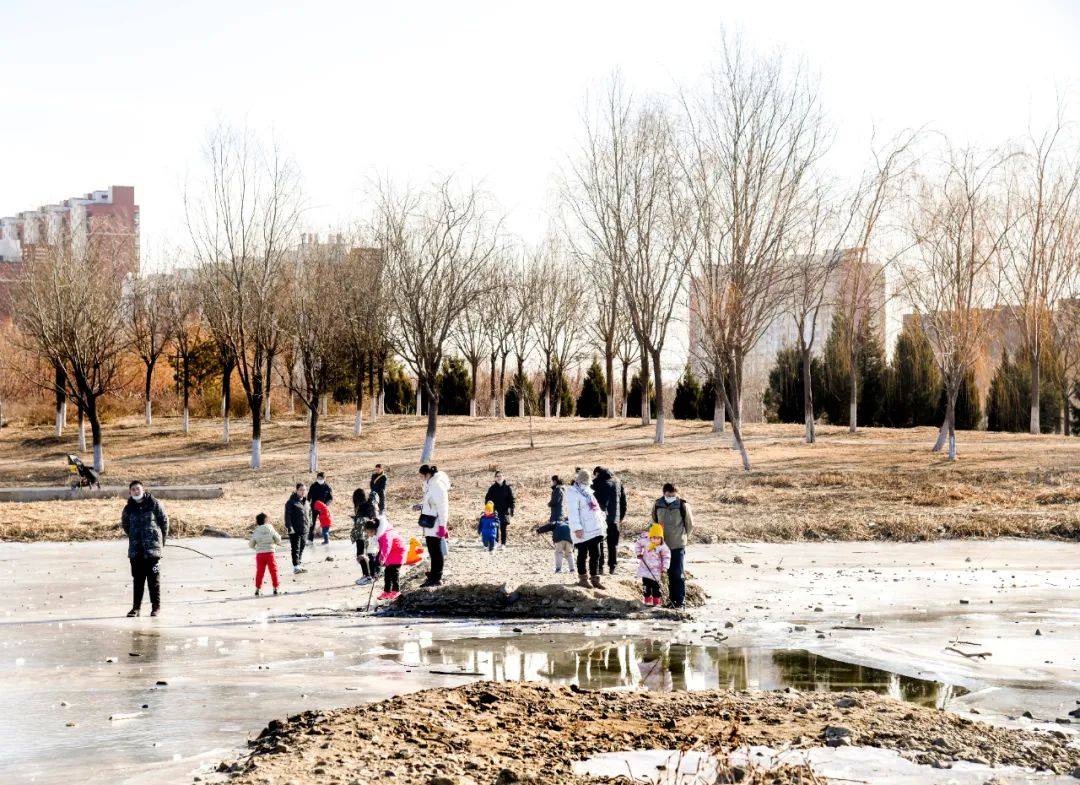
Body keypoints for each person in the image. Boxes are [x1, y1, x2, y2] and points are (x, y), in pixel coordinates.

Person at [121, 480, 169, 617]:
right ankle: (136, 608)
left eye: (138, 489)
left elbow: (164, 522)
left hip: (153, 550)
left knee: (154, 580)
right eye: (133, 490)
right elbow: (126, 525)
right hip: (136, 550)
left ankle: (156, 607)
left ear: (143, 490)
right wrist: (135, 537)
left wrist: (160, 542)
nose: (136, 491)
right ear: (130, 492)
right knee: (138, 580)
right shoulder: (128, 508)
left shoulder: (154, 504)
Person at [651, 482, 694, 609]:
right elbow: (654, 522)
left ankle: (680, 601)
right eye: (669, 495)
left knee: (678, 573)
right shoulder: (657, 504)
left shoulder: (682, 505)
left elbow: (689, 525)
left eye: (674, 495)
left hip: (678, 545)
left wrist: (683, 539)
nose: (671, 497)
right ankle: (672, 600)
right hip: (663, 545)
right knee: (668, 573)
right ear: (664, 493)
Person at [566, 468, 606, 589]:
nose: (586, 483)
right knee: (582, 553)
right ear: (579, 481)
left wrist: (602, 522)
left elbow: (596, 510)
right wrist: (577, 528)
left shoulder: (588, 492)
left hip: (594, 528)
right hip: (582, 529)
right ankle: (583, 578)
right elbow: (573, 513)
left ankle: (595, 578)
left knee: (596, 553)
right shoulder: (573, 493)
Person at [414, 464, 450, 587]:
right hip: (429, 523)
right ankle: (434, 573)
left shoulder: (437, 486)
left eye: (421, 476)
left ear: (427, 474)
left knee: (436, 550)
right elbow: (430, 503)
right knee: (432, 550)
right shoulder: (430, 485)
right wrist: (421, 505)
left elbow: (443, 508)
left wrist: (442, 526)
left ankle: (437, 576)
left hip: (436, 523)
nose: (421, 478)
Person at [592, 466, 627, 575]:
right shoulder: (617, 482)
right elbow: (623, 502)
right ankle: (612, 567)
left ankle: (600, 567)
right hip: (614, 519)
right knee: (613, 544)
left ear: (597, 473)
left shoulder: (595, 483)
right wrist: (620, 517)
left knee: (599, 543)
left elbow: (592, 503)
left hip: (600, 519)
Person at [365, 517, 405, 601]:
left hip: (398, 552)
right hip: (391, 553)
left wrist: (382, 558)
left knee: (394, 572)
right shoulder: (380, 533)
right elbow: (381, 548)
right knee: (387, 573)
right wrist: (378, 559)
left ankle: (396, 591)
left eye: (368, 532)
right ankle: (387, 592)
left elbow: (387, 547)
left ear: (373, 530)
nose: (368, 534)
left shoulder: (386, 534)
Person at [350, 489, 383, 585]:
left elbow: (359, 525)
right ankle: (372, 575)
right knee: (370, 553)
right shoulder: (369, 506)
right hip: (370, 533)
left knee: (360, 554)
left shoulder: (360, 507)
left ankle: (367, 576)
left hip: (361, 534)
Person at [634, 523, 671, 607]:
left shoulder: (663, 547)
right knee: (646, 586)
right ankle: (647, 600)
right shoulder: (646, 542)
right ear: (650, 537)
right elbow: (638, 544)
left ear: (661, 538)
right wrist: (639, 553)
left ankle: (656, 601)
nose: (655, 540)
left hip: (656, 570)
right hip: (645, 568)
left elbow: (666, 557)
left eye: (658, 538)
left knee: (656, 587)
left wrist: (665, 567)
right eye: (653, 538)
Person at [248, 512, 282, 596]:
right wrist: (276, 542)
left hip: (260, 555)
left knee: (260, 572)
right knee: (273, 571)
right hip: (270, 553)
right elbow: (278, 538)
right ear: (266, 521)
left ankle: (257, 589)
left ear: (257, 522)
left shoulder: (256, 530)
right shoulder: (270, 528)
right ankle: (275, 588)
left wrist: (256, 548)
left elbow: (251, 544)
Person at [284, 482, 310, 574]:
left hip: (305, 529)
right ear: (296, 490)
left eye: (304, 490)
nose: (303, 492)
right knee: (295, 548)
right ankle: (296, 566)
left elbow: (309, 514)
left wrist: (309, 524)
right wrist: (289, 527)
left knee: (302, 547)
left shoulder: (306, 502)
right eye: (301, 490)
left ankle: (299, 564)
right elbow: (287, 516)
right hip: (295, 529)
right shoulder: (291, 502)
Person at [484, 470, 515, 547]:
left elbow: (512, 500)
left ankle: (503, 544)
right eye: (497, 476)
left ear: (503, 477)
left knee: (503, 528)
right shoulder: (492, 488)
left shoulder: (507, 488)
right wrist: (488, 508)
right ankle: (496, 542)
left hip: (504, 511)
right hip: (495, 511)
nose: (499, 477)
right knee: (495, 528)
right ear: (495, 478)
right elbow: (487, 499)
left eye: (500, 476)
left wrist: (512, 508)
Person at [307, 472, 333, 543]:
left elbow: (330, 498)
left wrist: (326, 505)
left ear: (324, 478)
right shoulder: (313, 486)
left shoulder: (327, 487)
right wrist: (307, 504)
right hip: (314, 507)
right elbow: (309, 496)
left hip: (323, 509)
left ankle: (326, 539)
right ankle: (310, 539)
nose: (319, 479)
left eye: (321, 478)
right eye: (318, 478)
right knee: (312, 523)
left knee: (325, 523)